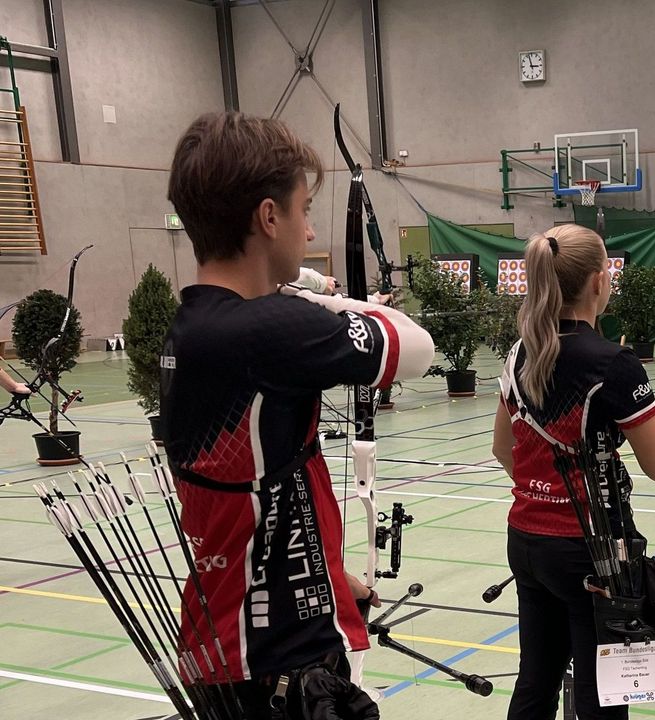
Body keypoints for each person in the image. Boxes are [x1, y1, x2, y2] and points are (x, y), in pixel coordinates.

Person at [161, 111, 435, 718]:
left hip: (229, 643)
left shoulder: (192, 326)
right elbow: (417, 347)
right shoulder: (268, 328)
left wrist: (332, 578)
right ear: (268, 217)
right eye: (304, 209)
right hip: (280, 669)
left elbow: (261, 489)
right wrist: (321, 295)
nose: (309, 229)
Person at [492, 224, 655, 720]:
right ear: (599, 281)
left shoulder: (518, 353)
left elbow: (502, 449)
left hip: (527, 540)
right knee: (602, 697)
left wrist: (547, 491)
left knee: (536, 681)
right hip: (589, 554)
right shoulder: (612, 362)